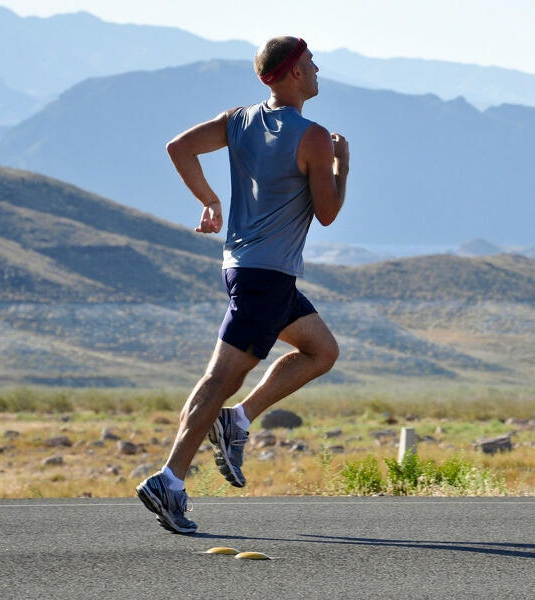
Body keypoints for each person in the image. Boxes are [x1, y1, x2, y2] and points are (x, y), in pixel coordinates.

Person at [136, 36, 349, 533]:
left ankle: (238, 419)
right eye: (312, 64)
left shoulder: (239, 119)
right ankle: (169, 479)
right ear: (294, 71)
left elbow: (179, 147)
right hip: (266, 277)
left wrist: (209, 200)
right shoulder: (313, 137)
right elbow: (328, 213)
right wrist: (343, 165)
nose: (318, 71)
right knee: (220, 378)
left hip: (246, 268)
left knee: (321, 350)